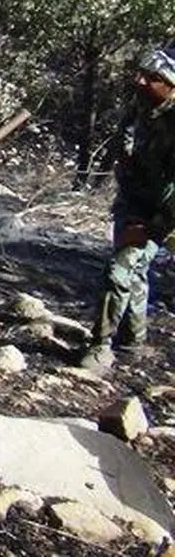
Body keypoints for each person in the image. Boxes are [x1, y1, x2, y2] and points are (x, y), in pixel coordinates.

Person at [79, 46, 175, 372]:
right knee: (134, 270)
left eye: (152, 78)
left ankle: (100, 347)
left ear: (171, 84)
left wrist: (152, 228)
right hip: (135, 198)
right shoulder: (142, 104)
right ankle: (133, 341)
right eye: (142, 74)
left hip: (165, 212)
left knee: (118, 270)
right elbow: (126, 137)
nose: (141, 81)